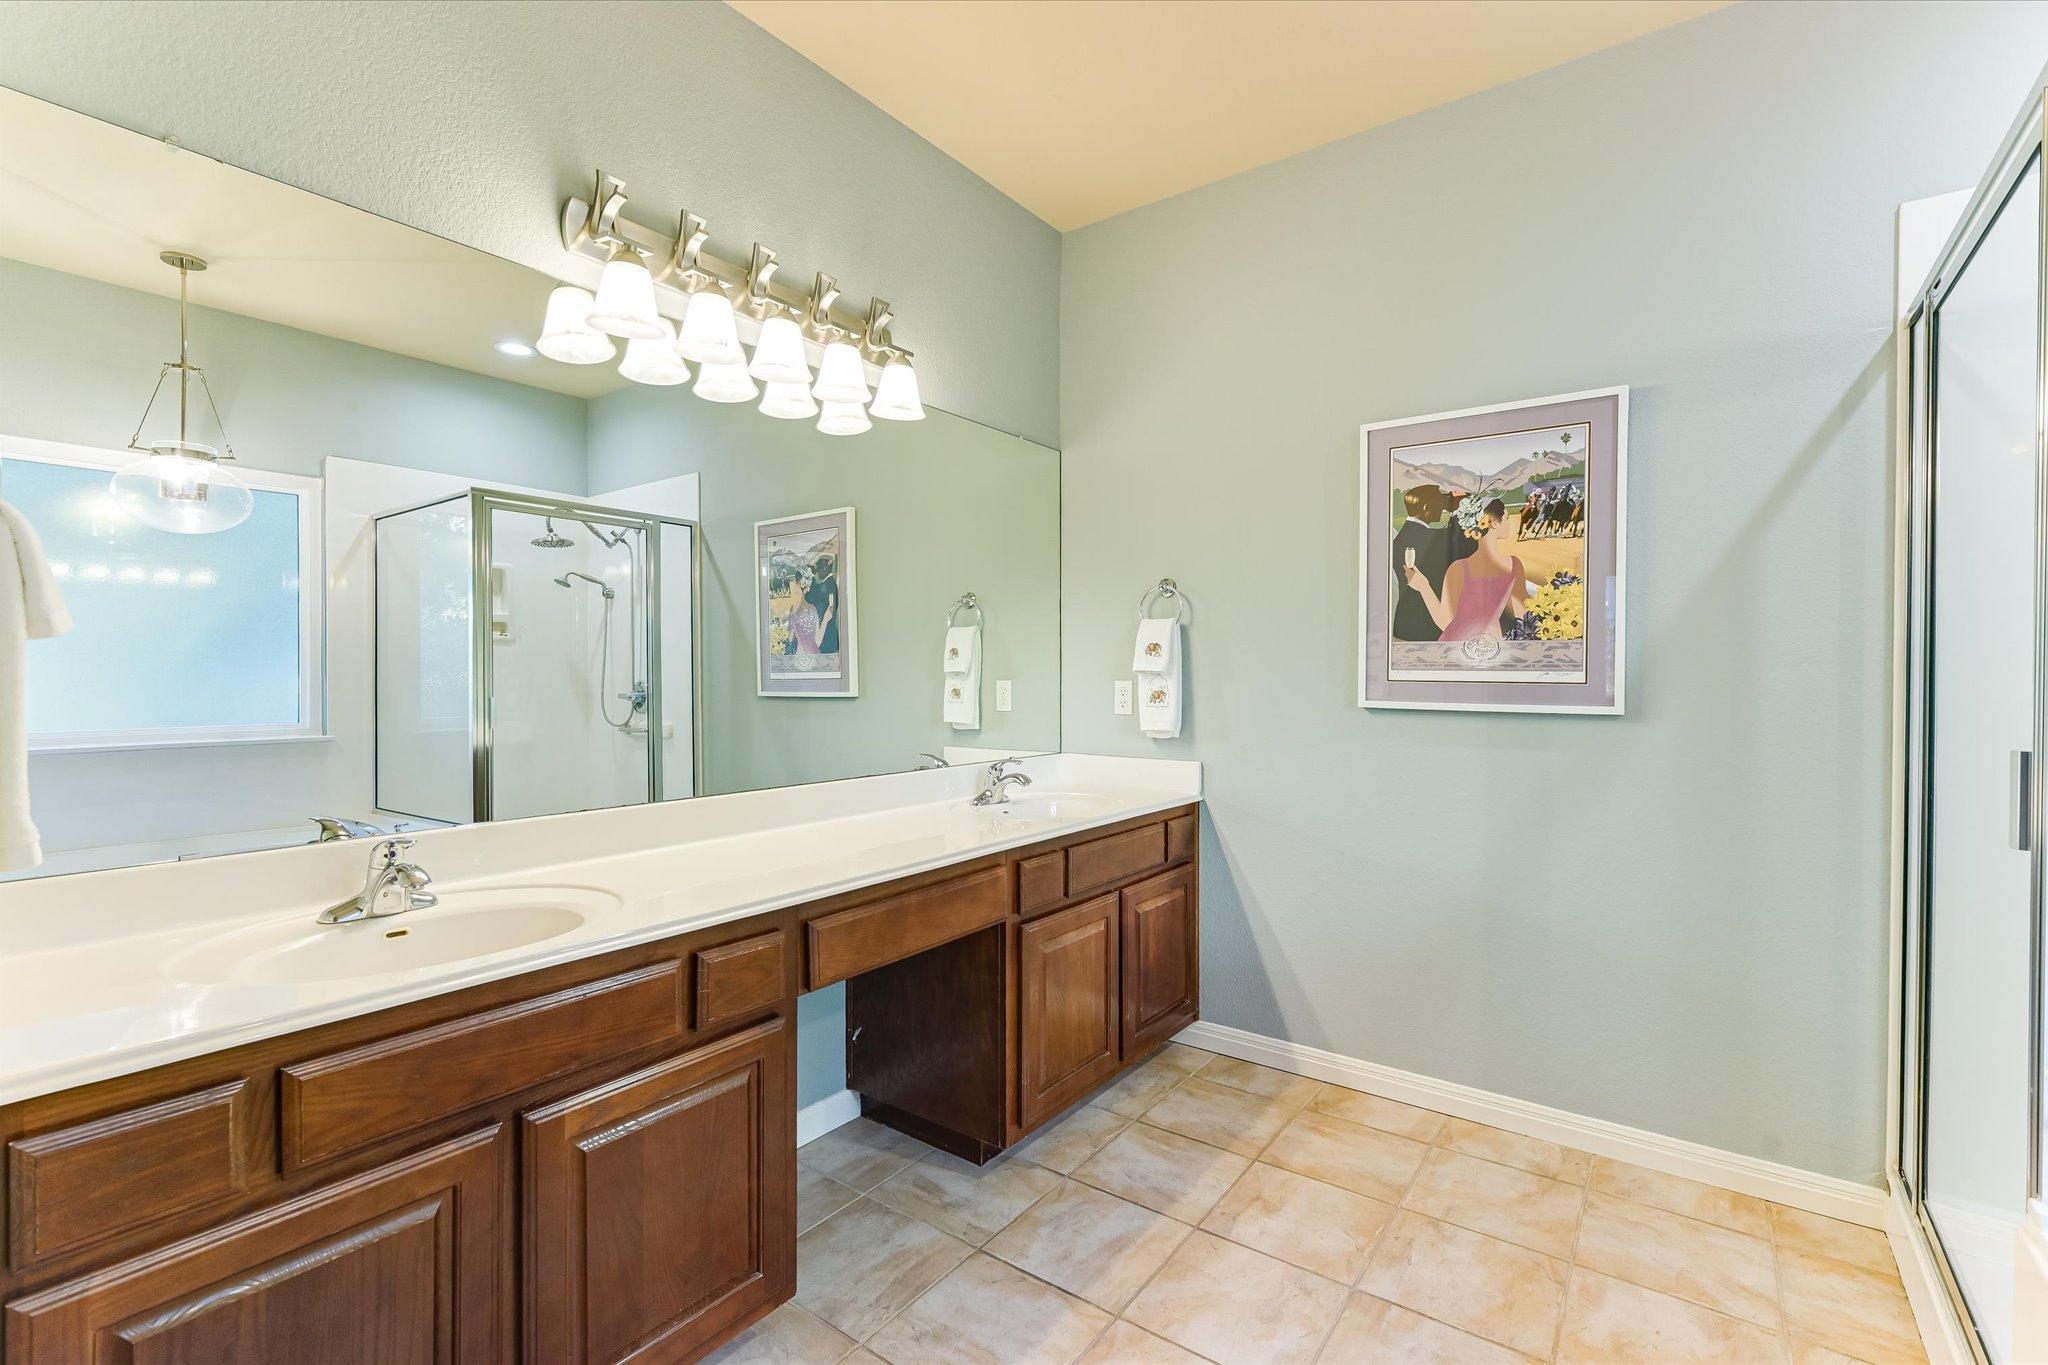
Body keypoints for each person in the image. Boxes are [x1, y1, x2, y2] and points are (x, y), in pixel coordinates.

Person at [1402, 496, 1529, 642]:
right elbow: (1524, 617)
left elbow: (1445, 622)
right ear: (1494, 523)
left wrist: (1424, 587)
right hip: (1492, 644)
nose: (1510, 524)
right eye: (1506, 518)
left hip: (1457, 644)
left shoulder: (1459, 569)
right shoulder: (1514, 564)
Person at [1390, 484, 1455, 641]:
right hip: (1428, 626)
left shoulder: (1400, 538)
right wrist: (1458, 508)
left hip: (1405, 623)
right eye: (1440, 503)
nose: (1443, 508)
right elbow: (1458, 536)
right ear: (1427, 507)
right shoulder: (1430, 539)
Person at [807, 555, 840, 656]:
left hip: (826, 635)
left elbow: (812, 599)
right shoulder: (827, 583)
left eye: (819, 568)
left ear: (825, 568)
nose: (817, 571)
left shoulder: (827, 585)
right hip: (827, 634)